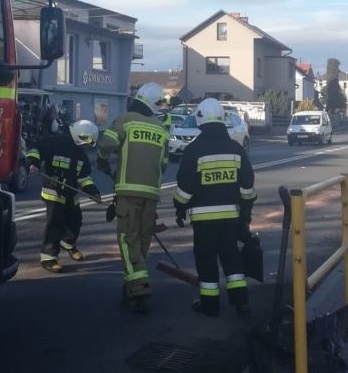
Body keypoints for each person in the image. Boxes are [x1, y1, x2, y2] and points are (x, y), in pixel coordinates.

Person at [173, 97, 257, 318]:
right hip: (231, 218)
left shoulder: (194, 150)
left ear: (200, 120)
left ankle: (210, 306)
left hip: (204, 222)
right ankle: (241, 303)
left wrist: (179, 209)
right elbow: (248, 186)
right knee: (231, 257)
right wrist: (245, 215)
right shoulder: (236, 149)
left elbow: (185, 188)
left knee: (206, 259)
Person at [97, 82, 169, 312]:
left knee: (129, 241)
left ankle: (139, 287)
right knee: (141, 241)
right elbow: (164, 165)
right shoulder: (161, 128)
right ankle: (130, 287)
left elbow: (107, 143)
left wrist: (101, 159)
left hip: (128, 192)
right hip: (152, 195)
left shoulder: (126, 119)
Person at [27, 119, 102, 271]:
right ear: (81, 137)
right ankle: (48, 258)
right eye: (86, 143)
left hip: (71, 194)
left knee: (76, 221)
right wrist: (33, 162)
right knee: (55, 223)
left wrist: (93, 192)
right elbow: (35, 149)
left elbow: (84, 178)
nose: (87, 147)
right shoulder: (56, 142)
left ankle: (68, 243)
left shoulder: (82, 156)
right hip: (53, 192)